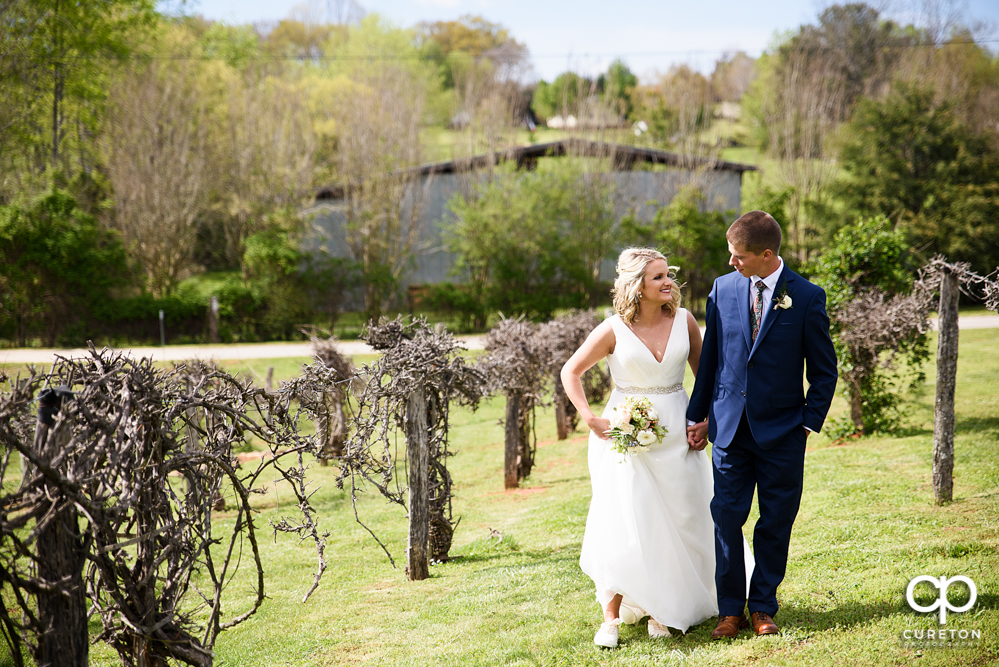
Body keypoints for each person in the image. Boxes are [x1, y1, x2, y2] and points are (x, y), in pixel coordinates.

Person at [562, 247, 749, 648]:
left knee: (681, 516)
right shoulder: (613, 329)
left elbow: (707, 377)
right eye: (658, 277)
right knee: (626, 516)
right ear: (636, 287)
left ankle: (662, 608)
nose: (669, 283)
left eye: (669, 275)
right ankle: (610, 617)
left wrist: (706, 420)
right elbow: (570, 371)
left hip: (679, 432)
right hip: (626, 435)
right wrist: (589, 416)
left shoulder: (685, 321)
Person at [685, 211, 837, 639]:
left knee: (775, 521)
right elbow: (711, 359)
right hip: (730, 431)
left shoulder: (806, 297)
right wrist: (699, 415)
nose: (732, 263)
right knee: (726, 518)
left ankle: (763, 607)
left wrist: (806, 424)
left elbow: (824, 372)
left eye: (739, 256)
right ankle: (730, 610)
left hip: (783, 433)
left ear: (766, 255)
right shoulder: (723, 288)